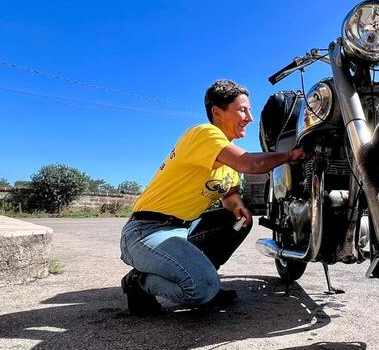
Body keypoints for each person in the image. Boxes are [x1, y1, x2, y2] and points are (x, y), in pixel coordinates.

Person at [119, 79, 307, 315]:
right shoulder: (204, 134)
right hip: (146, 230)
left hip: (183, 230)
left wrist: (238, 206)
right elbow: (249, 162)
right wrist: (291, 154)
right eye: (242, 110)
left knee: (237, 222)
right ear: (217, 112)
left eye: (249, 110)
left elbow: (230, 195)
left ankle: (202, 271)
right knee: (201, 289)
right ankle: (140, 283)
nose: (249, 118)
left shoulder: (228, 165)